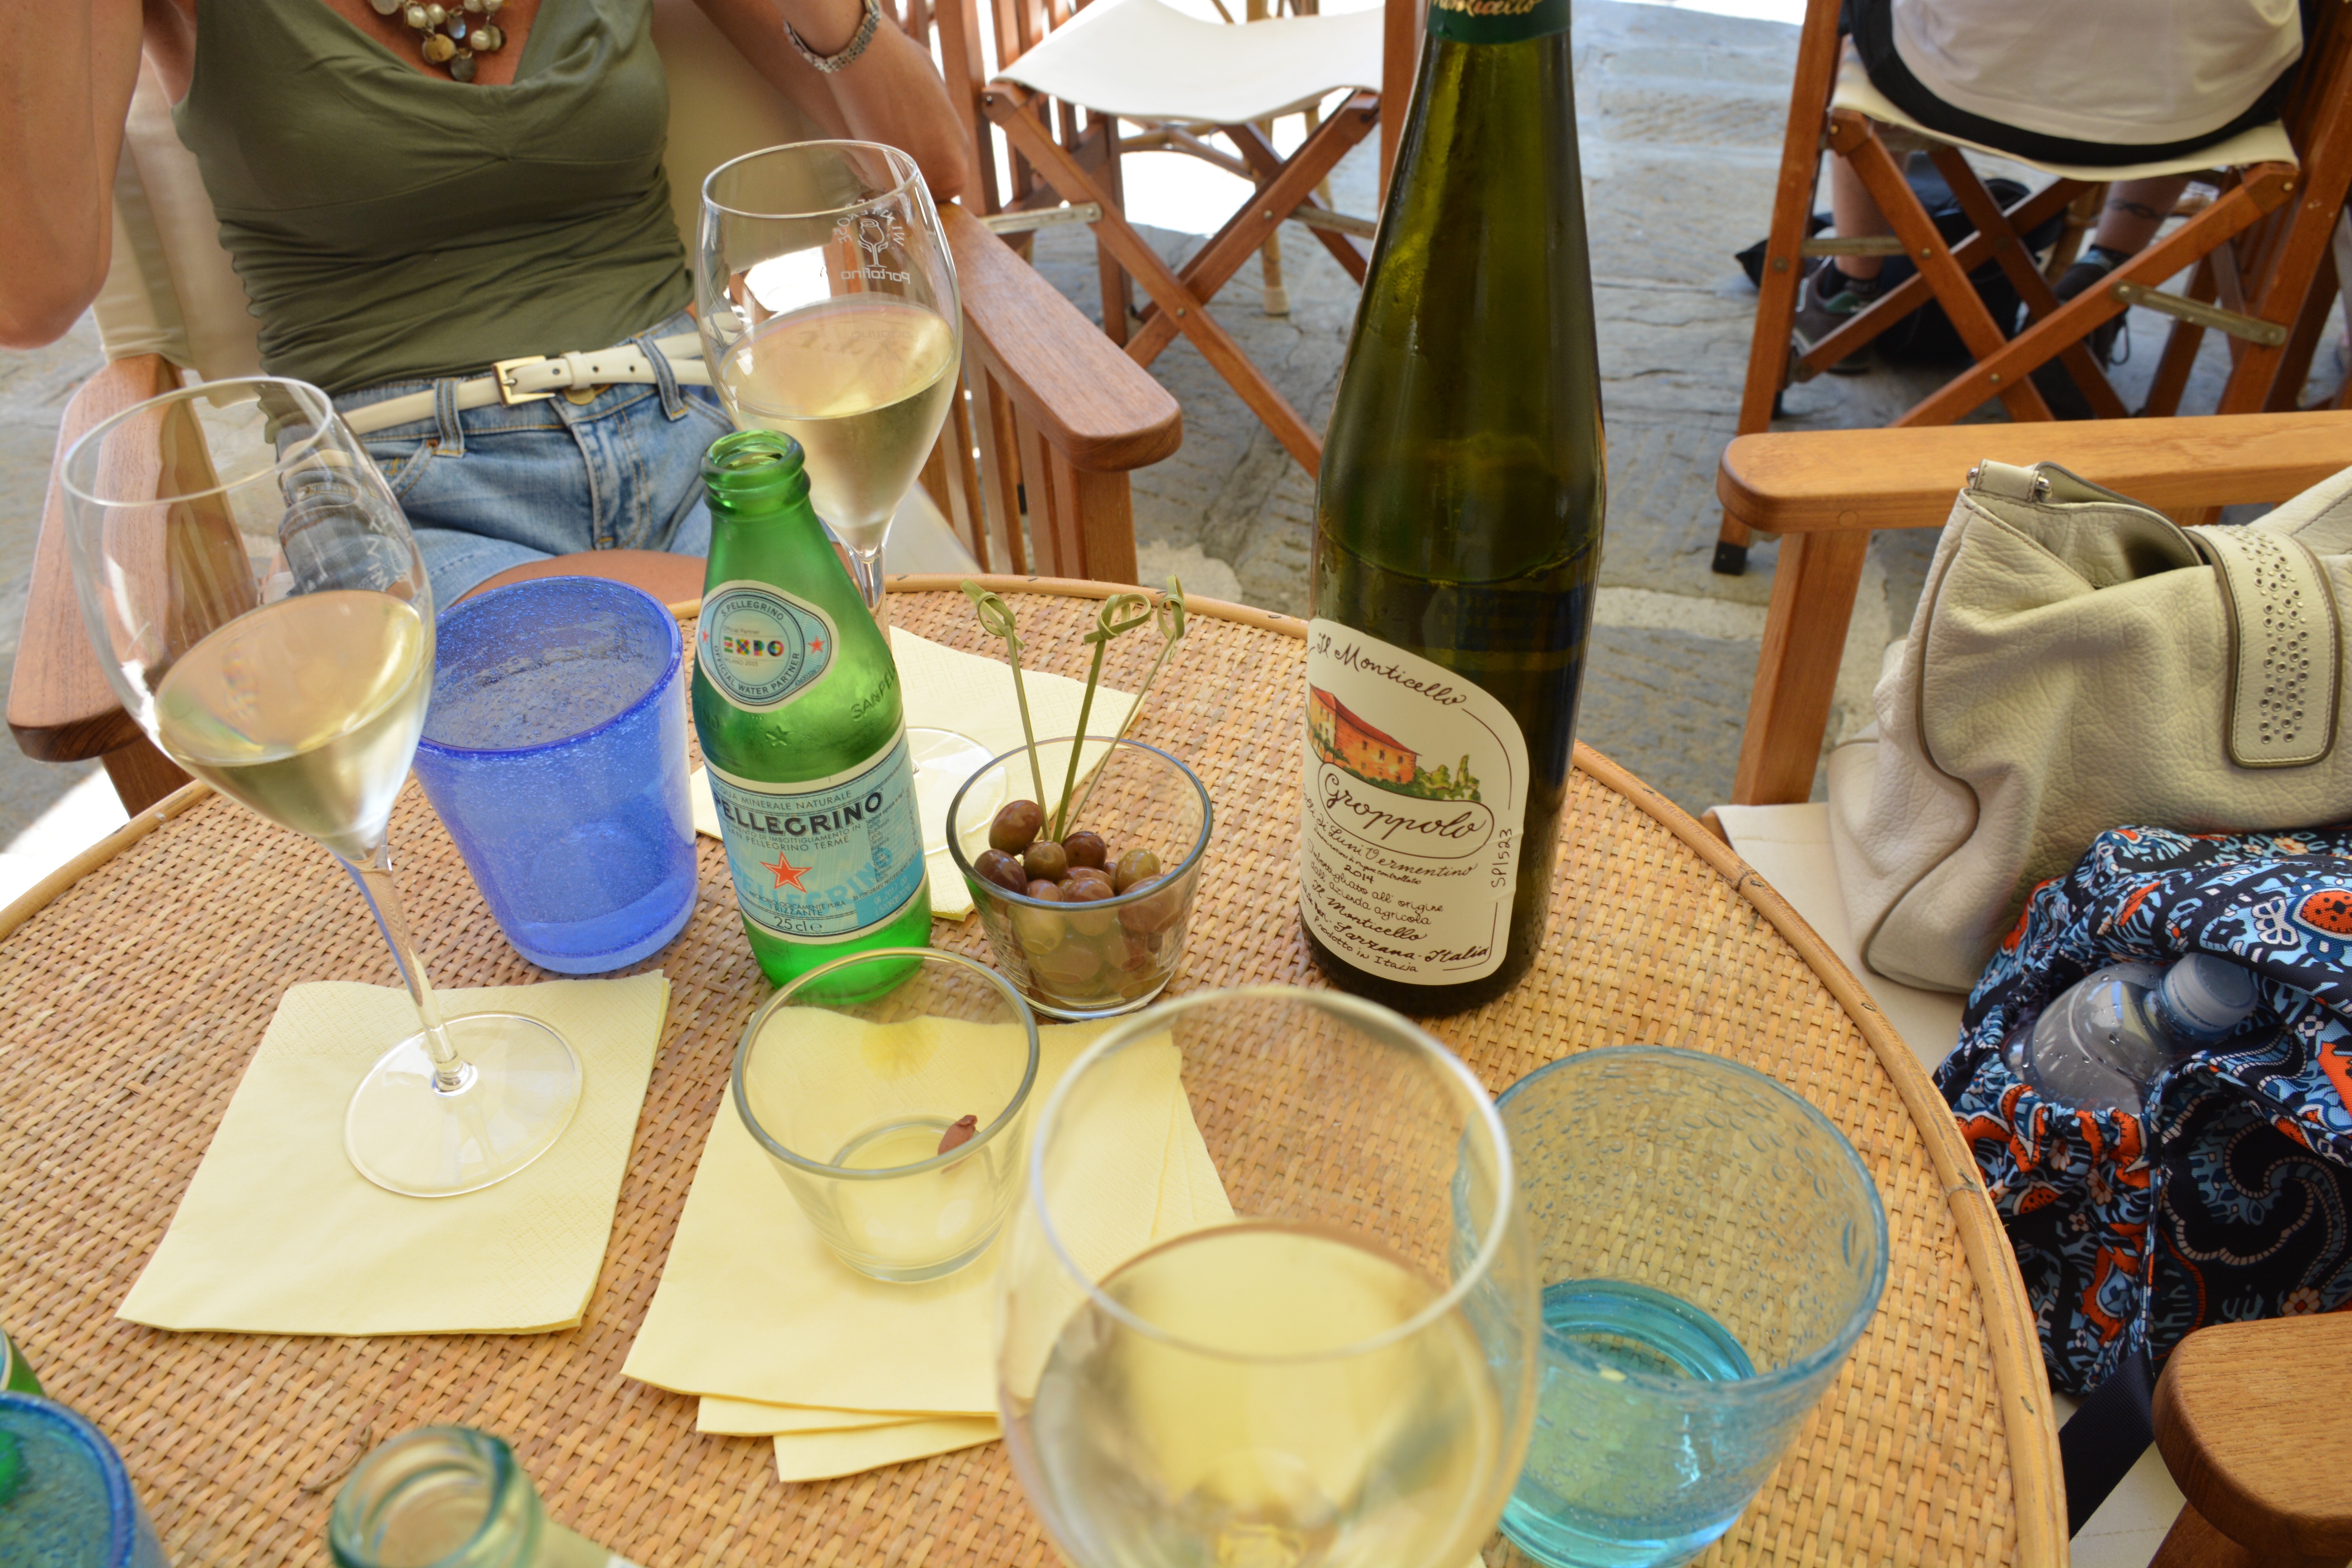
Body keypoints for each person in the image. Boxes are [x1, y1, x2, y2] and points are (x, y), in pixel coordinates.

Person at [1, 0, 970, 606]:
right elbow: (29, 296)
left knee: (805, 735)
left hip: (696, 435)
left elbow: (928, 169)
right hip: (403, 492)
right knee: (701, 698)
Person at [1790, 0, 2307, 412]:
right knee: (2191, 52)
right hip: (2197, 107)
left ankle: (1851, 290)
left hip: (1947, 77)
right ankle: (2097, 291)